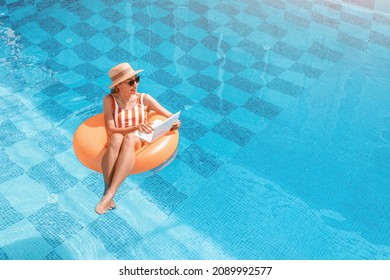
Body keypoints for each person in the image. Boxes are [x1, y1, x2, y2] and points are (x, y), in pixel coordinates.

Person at [95, 62, 181, 215]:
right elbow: (111, 129)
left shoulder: (144, 99)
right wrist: (135, 127)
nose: (135, 84)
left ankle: (110, 194)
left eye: (137, 79)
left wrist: (175, 123)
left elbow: (170, 116)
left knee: (128, 138)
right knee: (116, 137)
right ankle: (107, 190)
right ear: (119, 85)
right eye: (130, 82)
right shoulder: (109, 100)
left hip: (137, 138)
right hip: (120, 135)